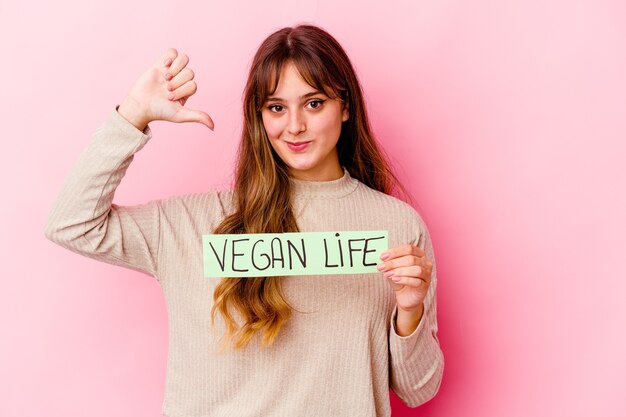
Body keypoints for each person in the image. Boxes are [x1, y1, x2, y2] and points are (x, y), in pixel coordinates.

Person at [44, 24, 444, 417]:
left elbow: (418, 389)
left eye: (314, 103)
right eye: (276, 107)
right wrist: (133, 115)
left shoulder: (395, 227)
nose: (294, 126)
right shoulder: (192, 224)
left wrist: (410, 312)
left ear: (346, 107)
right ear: (259, 116)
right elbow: (71, 224)